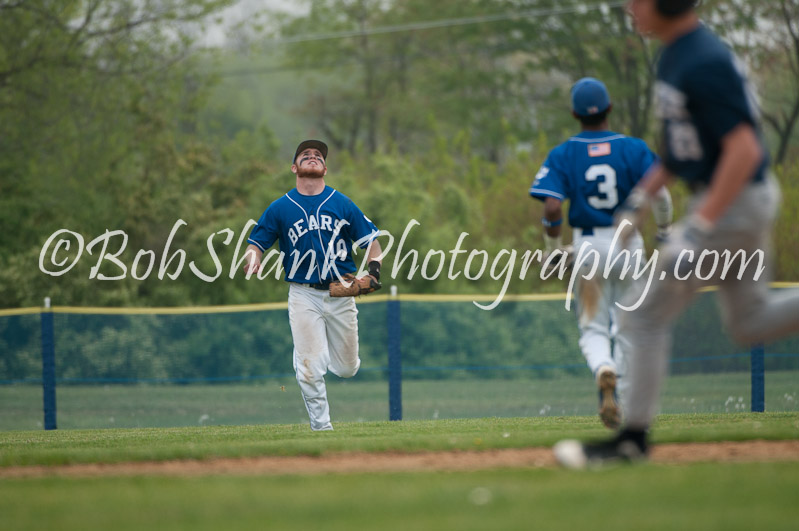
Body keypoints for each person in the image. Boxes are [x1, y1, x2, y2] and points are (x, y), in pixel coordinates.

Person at [554, 0, 799, 467]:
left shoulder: (702, 59)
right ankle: (632, 440)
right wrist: (640, 201)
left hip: (730, 204)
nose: (630, 7)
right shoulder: (676, 53)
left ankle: (631, 441)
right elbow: (679, 148)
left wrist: (700, 225)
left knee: (643, 317)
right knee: (750, 322)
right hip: (733, 201)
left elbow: (744, 149)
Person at [530, 77, 673, 429]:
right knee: (628, 326)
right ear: (609, 109)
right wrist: (665, 232)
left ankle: (602, 368)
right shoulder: (634, 149)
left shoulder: (565, 153)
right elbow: (663, 196)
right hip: (629, 243)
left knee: (593, 327)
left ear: (574, 114)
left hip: (588, 245)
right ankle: (619, 394)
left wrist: (551, 248)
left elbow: (551, 207)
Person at [243, 140, 383, 431]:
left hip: (342, 292)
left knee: (346, 369)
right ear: (295, 168)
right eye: (305, 155)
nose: (312, 156)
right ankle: (323, 429)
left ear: (325, 169)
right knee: (310, 368)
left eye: (318, 155)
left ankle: (312, 355)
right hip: (303, 294)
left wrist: (374, 271)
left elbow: (371, 241)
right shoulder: (281, 207)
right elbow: (257, 242)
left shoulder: (341, 203)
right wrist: (253, 257)